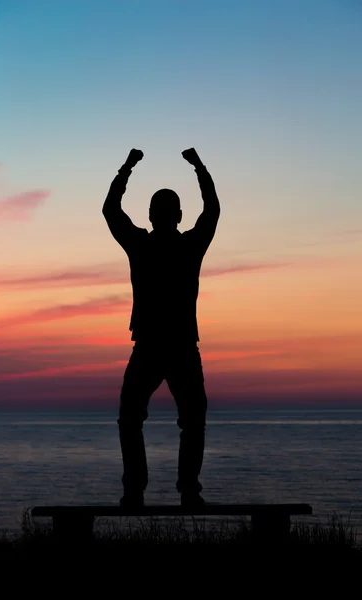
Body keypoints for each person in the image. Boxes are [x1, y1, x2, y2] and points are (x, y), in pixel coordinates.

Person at [102, 147, 220, 508]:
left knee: (139, 418)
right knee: (182, 420)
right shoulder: (182, 245)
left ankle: (146, 491)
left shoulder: (145, 244)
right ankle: (178, 490)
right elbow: (212, 210)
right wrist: (199, 167)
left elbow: (111, 209)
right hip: (171, 345)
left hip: (162, 345)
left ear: (154, 216)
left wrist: (128, 167)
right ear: (175, 216)